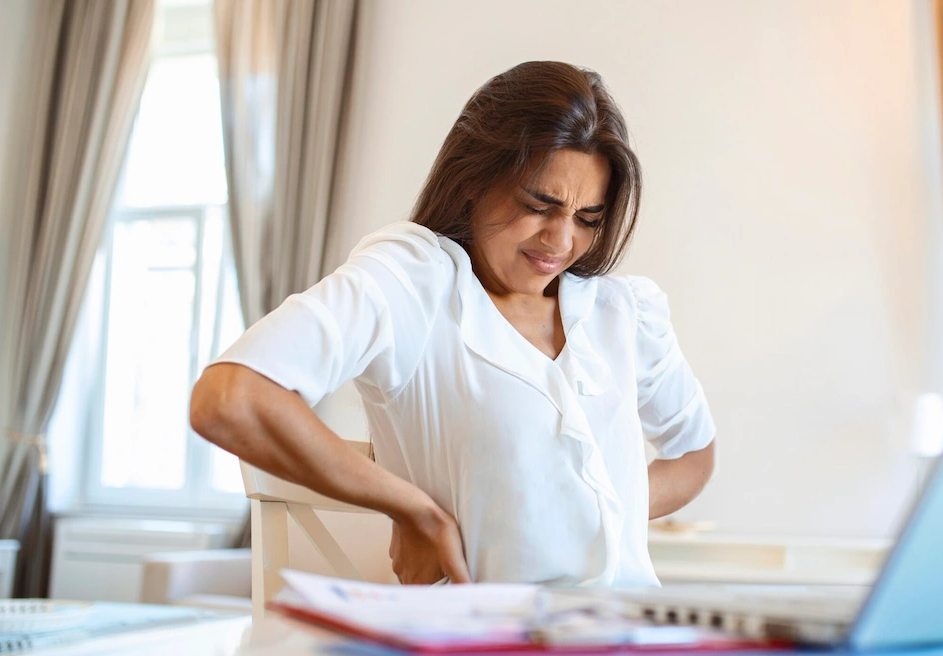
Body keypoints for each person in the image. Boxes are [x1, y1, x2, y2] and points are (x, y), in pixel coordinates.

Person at [190, 61, 716, 587]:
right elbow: (230, 399)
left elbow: (694, 454)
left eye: (587, 219)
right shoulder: (414, 282)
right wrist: (411, 508)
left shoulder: (621, 312)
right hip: (483, 646)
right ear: (473, 181)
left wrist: (586, 511)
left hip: (627, 640)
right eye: (539, 206)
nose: (560, 242)